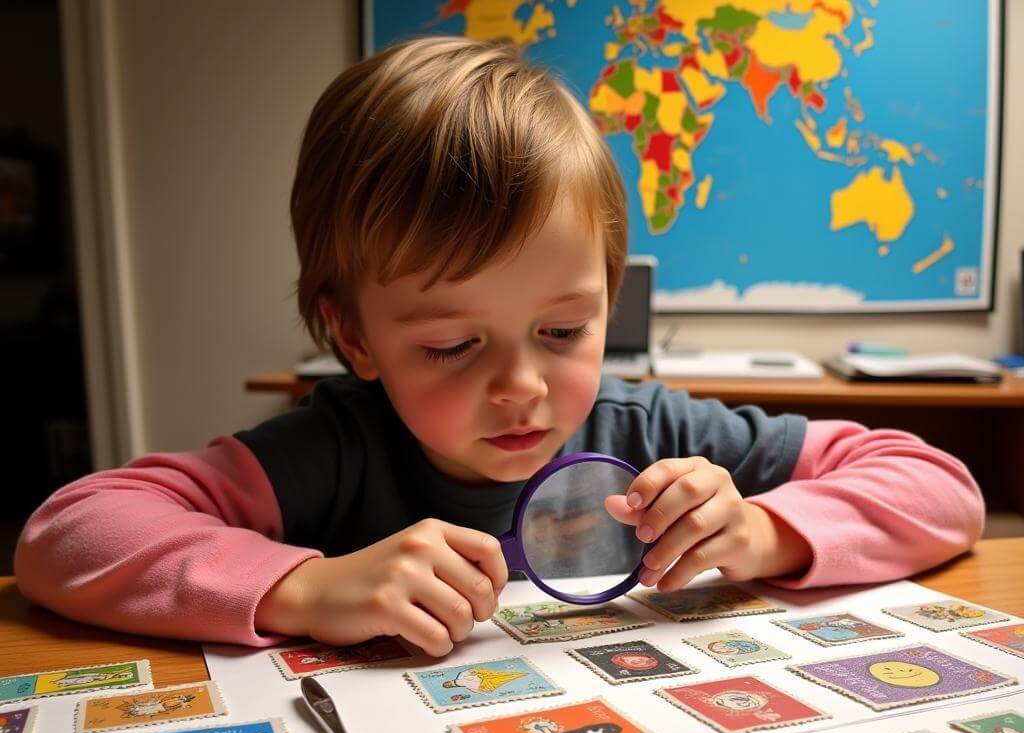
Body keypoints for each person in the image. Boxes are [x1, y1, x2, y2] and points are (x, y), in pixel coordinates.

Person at [15, 36, 984, 658]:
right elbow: (69, 533)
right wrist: (303, 586)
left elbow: (938, 484)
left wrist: (766, 530)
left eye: (563, 331)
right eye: (448, 344)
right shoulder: (334, 447)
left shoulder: (647, 425)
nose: (521, 386)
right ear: (354, 335)